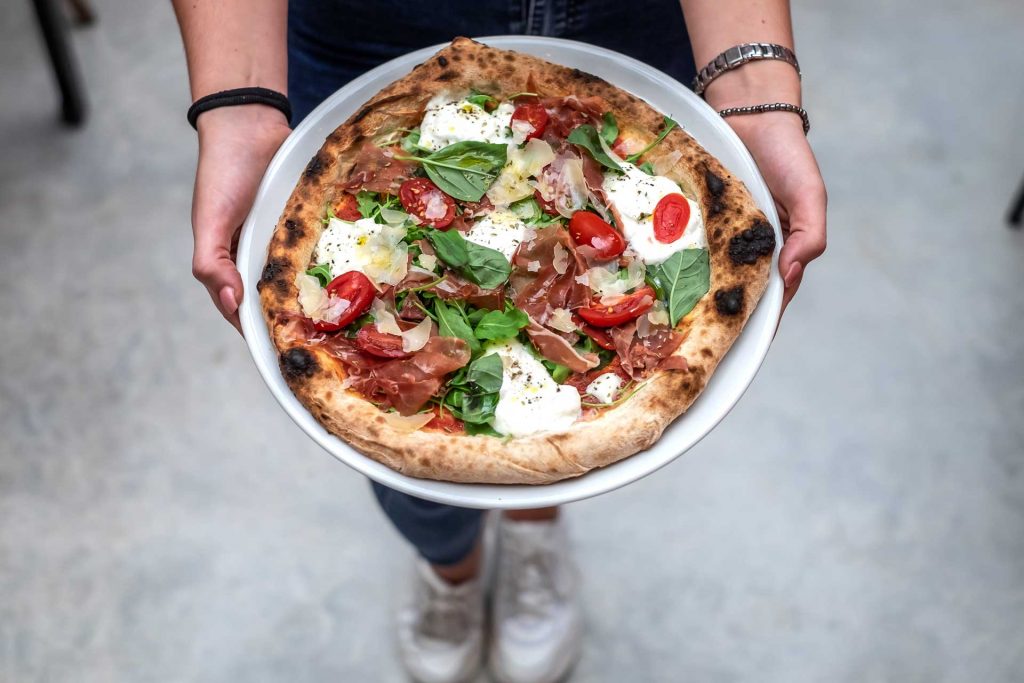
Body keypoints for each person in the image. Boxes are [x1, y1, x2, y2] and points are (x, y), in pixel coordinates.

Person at [172, 1, 827, 681]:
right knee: (412, 475)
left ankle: (533, 530)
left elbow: (724, 236)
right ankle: (449, 568)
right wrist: (238, 100)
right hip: (367, 30)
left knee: (557, 421)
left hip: (630, 23)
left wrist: (755, 90)